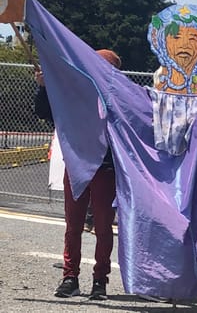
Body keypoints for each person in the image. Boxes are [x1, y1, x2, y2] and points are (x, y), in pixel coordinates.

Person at [34, 49, 120, 300]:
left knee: (103, 228)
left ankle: (99, 282)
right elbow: (46, 112)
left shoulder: (118, 99)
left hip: (104, 168)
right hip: (77, 166)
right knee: (73, 226)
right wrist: (43, 87)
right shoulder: (75, 93)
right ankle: (70, 277)